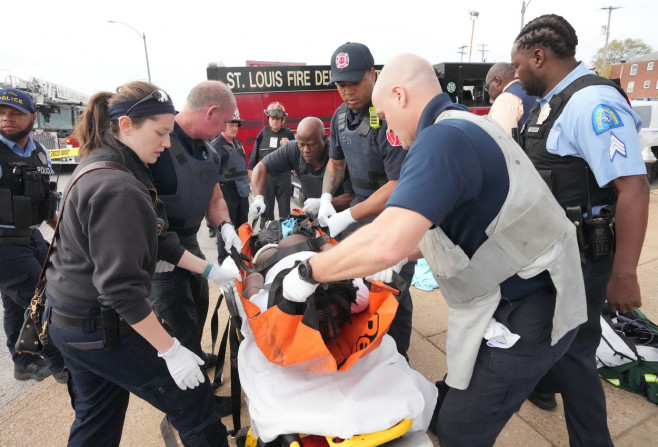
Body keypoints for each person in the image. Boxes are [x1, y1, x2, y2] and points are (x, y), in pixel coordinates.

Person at [280, 53, 589, 446]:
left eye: (386, 115)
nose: (388, 129)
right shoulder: (464, 124)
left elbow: (389, 240)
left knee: (460, 429)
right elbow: (433, 230)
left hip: (530, 307)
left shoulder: (441, 140)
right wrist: (368, 258)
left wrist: (311, 271)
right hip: (520, 291)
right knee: (447, 402)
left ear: (399, 94)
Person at [44, 81, 230, 446]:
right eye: (160, 133)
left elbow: (160, 238)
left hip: (71, 323)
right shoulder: (119, 187)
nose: (166, 142)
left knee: (97, 419)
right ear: (126, 125)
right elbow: (120, 291)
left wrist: (210, 270)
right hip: (102, 326)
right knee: (194, 403)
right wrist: (170, 350)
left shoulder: (107, 163)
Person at [511, 14, 649, 445]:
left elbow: (634, 188)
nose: (515, 74)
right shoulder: (555, 102)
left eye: (518, 65)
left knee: (575, 354)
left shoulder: (592, 105)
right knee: (559, 340)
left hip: (584, 256)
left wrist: (623, 274)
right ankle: (543, 387)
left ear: (540, 56)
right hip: (554, 253)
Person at [237, 249, 437, 443]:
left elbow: (339, 255)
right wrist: (251, 272)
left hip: (316, 256)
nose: (332, 333)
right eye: (321, 323)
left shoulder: (357, 297)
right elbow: (253, 283)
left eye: (336, 317)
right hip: (272, 257)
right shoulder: (270, 308)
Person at [318, 42, 413, 357]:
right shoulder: (340, 118)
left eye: (354, 82)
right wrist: (326, 197)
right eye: (341, 85)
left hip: (394, 217)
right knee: (355, 286)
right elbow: (335, 162)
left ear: (373, 75)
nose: (347, 91)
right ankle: (369, 349)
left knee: (392, 291)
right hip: (359, 215)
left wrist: (349, 215)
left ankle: (398, 357)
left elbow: (397, 184)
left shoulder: (387, 118)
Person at [148, 81, 242, 363]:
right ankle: (190, 400)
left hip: (189, 241)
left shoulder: (208, 151)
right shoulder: (157, 145)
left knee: (199, 303)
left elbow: (214, 198)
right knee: (176, 315)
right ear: (211, 112)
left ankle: (195, 356)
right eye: (224, 121)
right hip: (161, 248)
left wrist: (225, 225)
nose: (226, 127)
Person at [0, 88, 67, 383]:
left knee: (17, 305)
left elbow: (46, 201)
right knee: (42, 302)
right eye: (1, 113)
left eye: (15, 113)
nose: (6, 118)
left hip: (31, 237)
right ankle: (62, 364)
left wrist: (65, 234)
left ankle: (24, 362)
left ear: (32, 117)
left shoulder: (38, 152)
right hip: (4, 247)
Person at [249, 116, 354, 219]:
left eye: (311, 145)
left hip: (345, 218)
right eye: (301, 144)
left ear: (324, 139)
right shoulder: (293, 149)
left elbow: (356, 196)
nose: (305, 150)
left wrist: (323, 203)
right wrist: (258, 198)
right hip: (315, 218)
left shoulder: (340, 155)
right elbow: (261, 167)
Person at [209, 107, 250, 263]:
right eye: (231, 124)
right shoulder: (216, 147)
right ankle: (224, 261)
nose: (235, 127)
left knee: (242, 227)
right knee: (226, 229)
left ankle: (240, 257)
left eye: (237, 124)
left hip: (242, 192)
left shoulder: (238, 143)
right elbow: (212, 176)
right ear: (222, 124)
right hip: (226, 193)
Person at [248, 101, 295, 228]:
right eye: (273, 118)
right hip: (266, 177)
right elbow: (253, 158)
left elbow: (297, 156)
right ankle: (266, 234)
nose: (275, 121)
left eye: (278, 119)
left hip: (284, 177)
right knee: (266, 210)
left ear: (282, 120)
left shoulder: (289, 134)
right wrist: (252, 179)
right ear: (268, 119)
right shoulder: (262, 134)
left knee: (285, 210)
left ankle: (287, 235)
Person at [485, 62, 538, 139]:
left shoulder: (506, 99)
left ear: (497, 80)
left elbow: (501, 140)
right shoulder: (535, 91)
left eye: (487, 87)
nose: (488, 92)